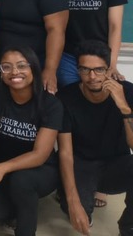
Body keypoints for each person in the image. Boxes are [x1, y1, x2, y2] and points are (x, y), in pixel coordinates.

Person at [0, 43, 62, 236]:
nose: (14, 71)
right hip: (5, 165)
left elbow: (40, 154)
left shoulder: (50, 104)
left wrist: (1, 168)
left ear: (33, 67)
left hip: (40, 170)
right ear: (0, 72)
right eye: (6, 66)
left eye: (22, 65)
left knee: (21, 181)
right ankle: (21, 205)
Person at [57, 40, 133, 236]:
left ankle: (128, 226)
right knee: (76, 212)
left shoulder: (128, 92)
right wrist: (74, 203)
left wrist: (125, 108)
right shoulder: (67, 98)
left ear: (109, 70)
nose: (92, 77)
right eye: (85, 70)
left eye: (99, 70)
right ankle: (67, 198)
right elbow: (65, 152)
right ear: (78, 70)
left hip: (117, 163)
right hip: (82, 165)